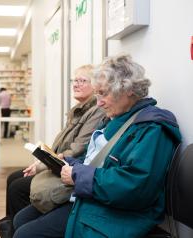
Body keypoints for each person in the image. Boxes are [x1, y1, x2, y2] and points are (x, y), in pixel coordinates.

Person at [13, 55, 181, 238]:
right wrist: (69, 162)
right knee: (21, 219)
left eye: (104, 93)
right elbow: (97, 160)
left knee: (25, 233)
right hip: (97, 196)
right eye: (97, 94)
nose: (99, 102)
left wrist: (77, 175)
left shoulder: (152, 129)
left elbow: (135, 186)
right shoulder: (116, 119)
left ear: (128, 91)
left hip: (119, 211)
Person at [0, 65, 106, 238]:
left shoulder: (95, 111)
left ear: (95, 86)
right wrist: (42, 160)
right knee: (14, 179)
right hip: (59, 164)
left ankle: (13, 231)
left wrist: (45, 164)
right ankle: (11, 229)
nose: (76, 84)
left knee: (18, 186)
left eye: (82, 80)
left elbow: (78, 148)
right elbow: (62, 144)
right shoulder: (78, 110)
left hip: (66, 168)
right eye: (74, 80)